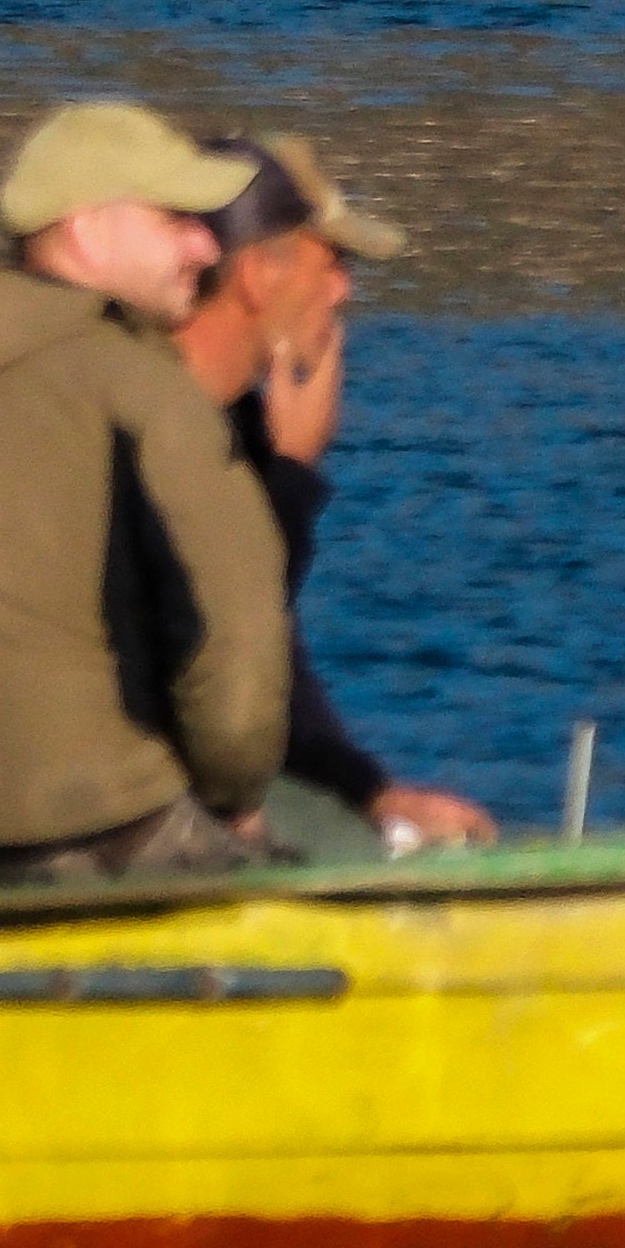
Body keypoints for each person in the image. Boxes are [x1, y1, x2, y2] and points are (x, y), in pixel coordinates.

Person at [0, 100, 293, 894]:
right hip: (105, 833)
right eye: (176, 220)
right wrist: (234, 798)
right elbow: (236, 654)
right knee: (306, 840)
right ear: (89, 230)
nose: (206, 248)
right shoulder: (136, 386)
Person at [171, 135, 495, 865]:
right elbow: (215, 649)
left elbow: (271, 672)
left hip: (199, 777)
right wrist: (290, 475)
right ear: (260, 275)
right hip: (135, 804)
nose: (344, 292)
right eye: (333, 264)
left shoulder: (233, 423)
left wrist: (375, 794)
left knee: (426, 842)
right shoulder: (152, 422)